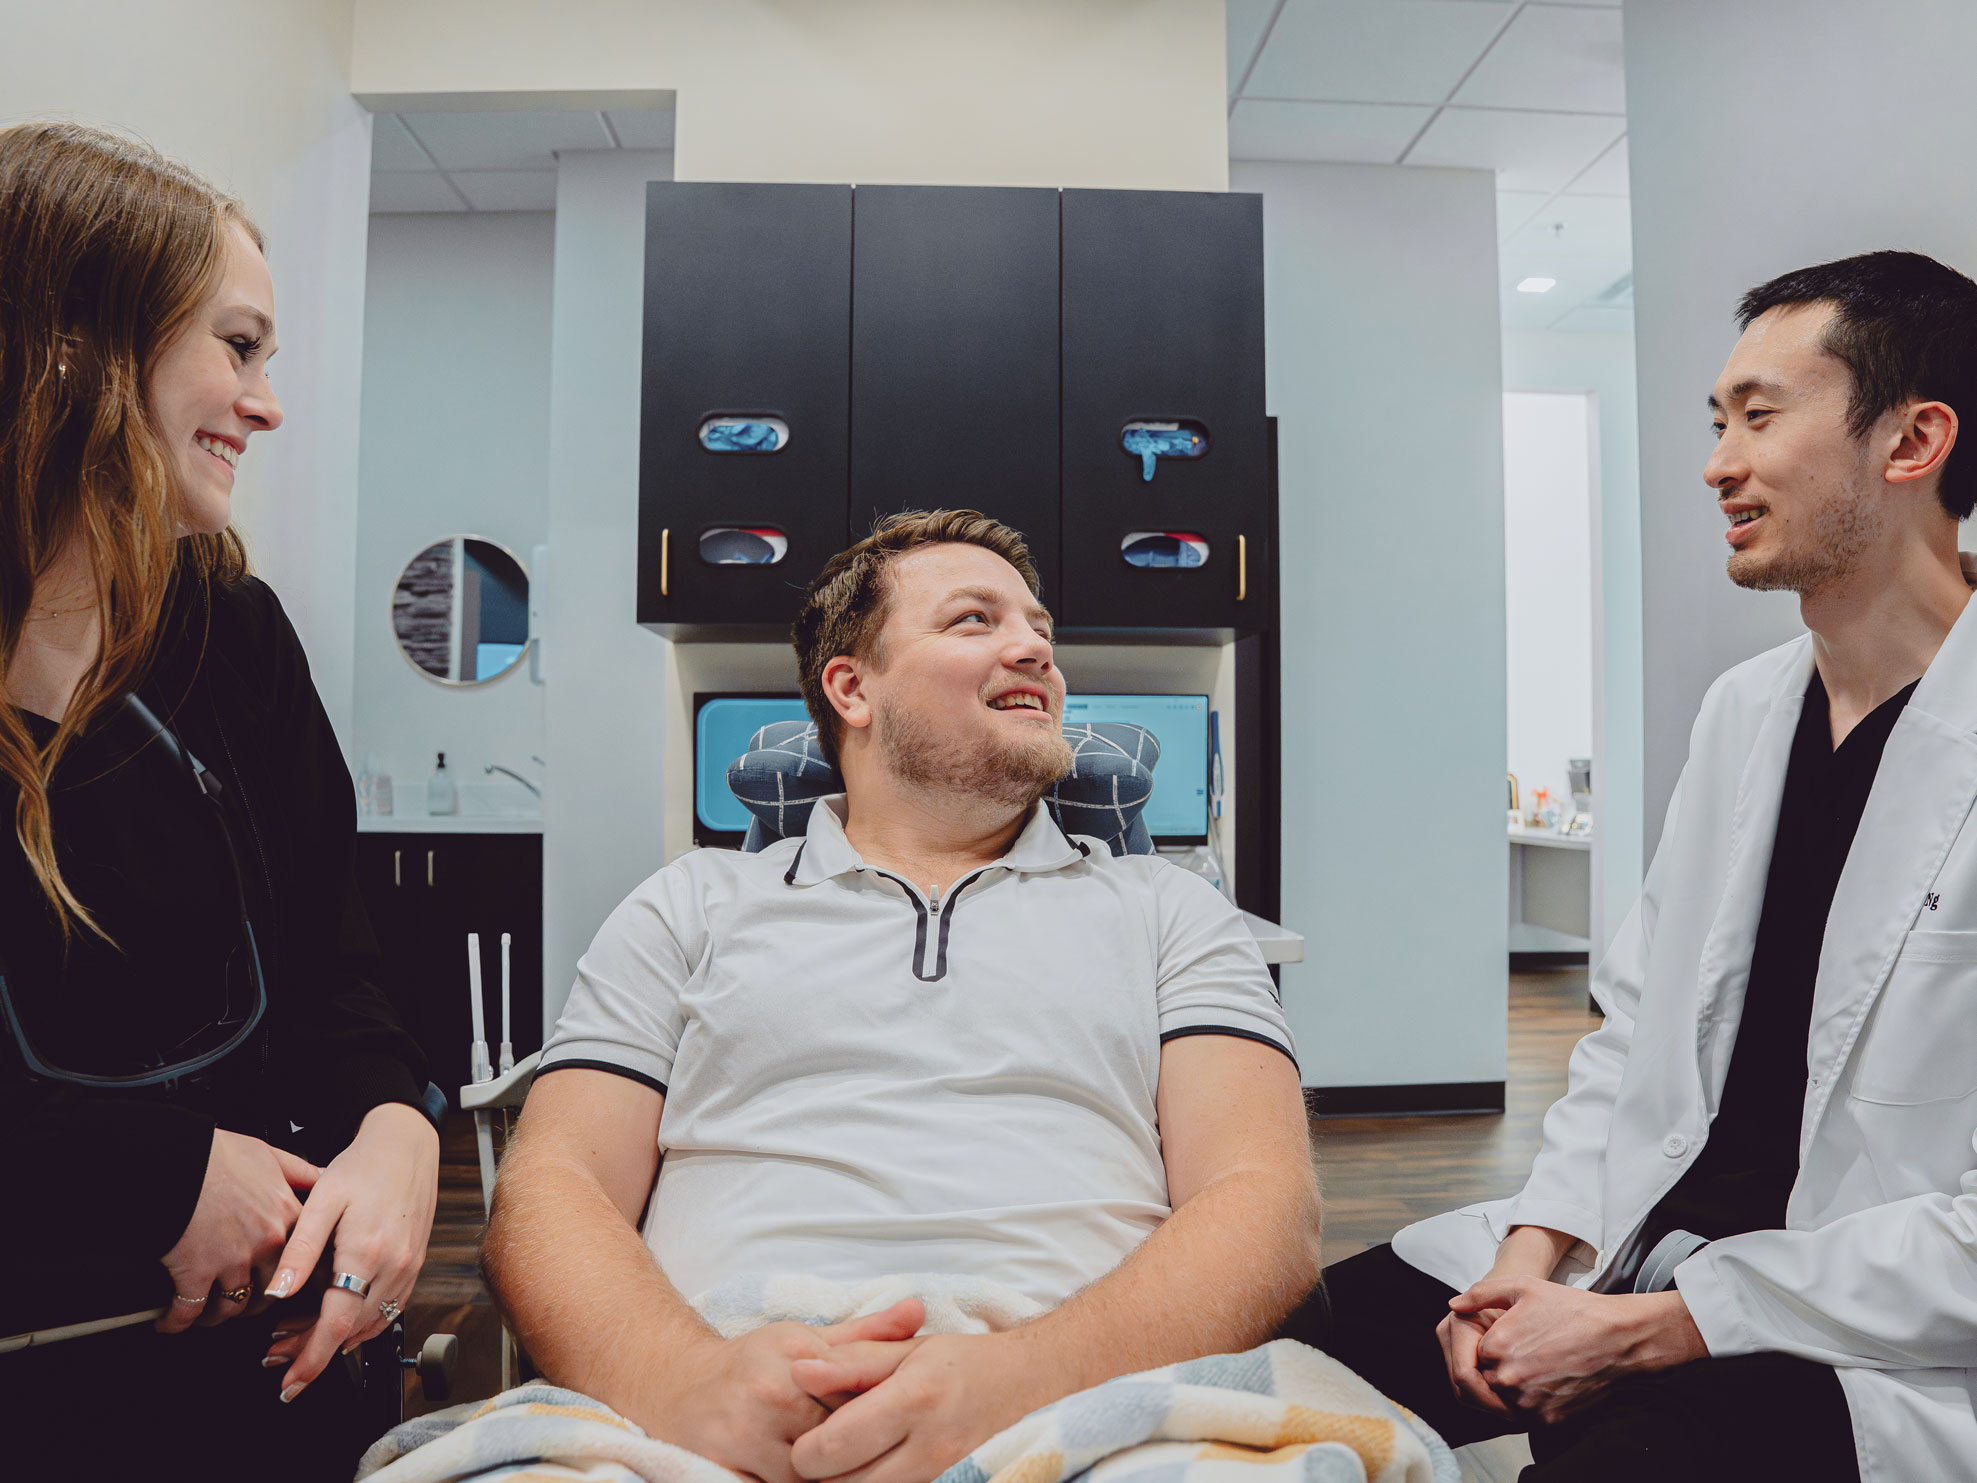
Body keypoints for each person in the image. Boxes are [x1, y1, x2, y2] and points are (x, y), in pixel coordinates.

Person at [1288, 250, 1977, 1483]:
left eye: (1760, 416)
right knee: (1289, 1344)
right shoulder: (1743, 713)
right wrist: (1529, 1256)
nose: (1718, 462)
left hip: (1861, 1326)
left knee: (1619, 1456)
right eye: (1718, 422)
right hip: (1640, 1241)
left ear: (1914, 439)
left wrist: (1656, 1331)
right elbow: (1637, 1033)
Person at [482, 509, 1319, 1483]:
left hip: (1091, 1408)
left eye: (1041, 629)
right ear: (852, 686)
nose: (1035, 650)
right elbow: (551, 1187)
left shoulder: (1172, 912)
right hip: (705, 1413)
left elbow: (1266, 1204)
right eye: (975, 620)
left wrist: (1020, 1379)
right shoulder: (691, 905)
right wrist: (682, 1382)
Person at [0, 122, 440, 1476]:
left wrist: (399, 1133)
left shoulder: (228, 634)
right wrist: (154, 1168)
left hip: (269, 1374)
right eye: (237, 347)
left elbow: (338, 972)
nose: (267, 401)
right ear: (79, 343)